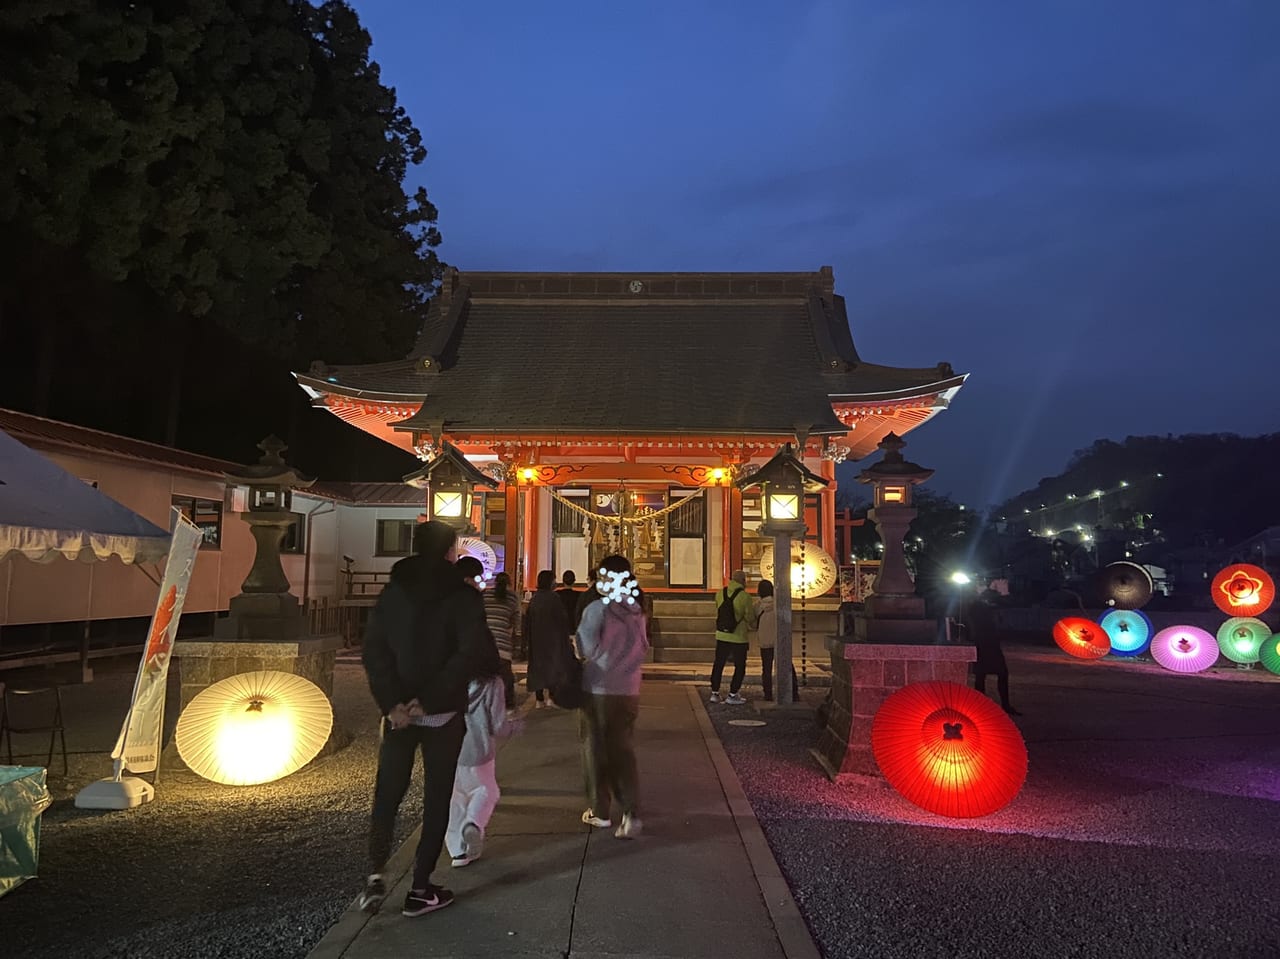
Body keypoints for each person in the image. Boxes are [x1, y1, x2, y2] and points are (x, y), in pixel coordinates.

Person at [358, 521, 500, 918]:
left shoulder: (393, 591)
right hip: (441, 713)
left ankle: (374, 876)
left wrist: (393, 703)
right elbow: (469, 652)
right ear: (450, 550)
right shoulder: (462, 596)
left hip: (399, 715)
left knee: (388, 793)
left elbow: (375, 651)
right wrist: (432, 698)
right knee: (438, 797)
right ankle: (420, 887)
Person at [575, 554, 649, 839]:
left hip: (598, 688)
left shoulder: (598, 609)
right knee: (623, 751)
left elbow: (585, 648)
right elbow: (643, 647)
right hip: (629, 689)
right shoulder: (637, 610)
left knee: (595, 750)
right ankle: (631, 812)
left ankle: (600, 810)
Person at [446, 555, 511, 868]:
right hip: (480, 747)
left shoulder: (447, 673)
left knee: (453, 796)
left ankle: (457, 851)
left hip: (447, 743)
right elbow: (498, 723)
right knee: (487, 789)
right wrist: (513, 727)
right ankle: (475, 823)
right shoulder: (492, 682)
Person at [965, 592, 1021, 716]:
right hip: (986, 642)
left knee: (984, 674)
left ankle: (983, 704)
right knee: (991, 674)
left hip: (985, 642)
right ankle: (1001, 704)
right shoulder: (979, 608)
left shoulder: (976, 607)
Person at [524, 569, 572, 708]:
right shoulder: (554, 598)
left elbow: (527, 621)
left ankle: (539, 700)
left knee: (537, 669)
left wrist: (526, 641)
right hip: (552, 640)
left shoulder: (535, 599)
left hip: (536, 640)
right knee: (553, 668)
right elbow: (562, 620)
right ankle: (551, 697)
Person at [709, 569, 753, 704]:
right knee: (739, 666)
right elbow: (749, 617)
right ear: (743, 581)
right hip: (738, 636)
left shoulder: (719, 593)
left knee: (719, 664)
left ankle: (714, 693)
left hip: (721, 634)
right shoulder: (745, 597)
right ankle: (733, 694)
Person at [751, 579, 798, 702]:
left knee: (766, 669)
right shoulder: (779, 604)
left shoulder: (757, 606)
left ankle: (767, 694)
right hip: (779, 640)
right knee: (788, 666)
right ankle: (794, 692)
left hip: (765, 641)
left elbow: (752, 622)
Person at [484, 571, 521, 709]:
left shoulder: (485, 595)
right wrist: (517, 646)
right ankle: (508, 706)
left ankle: (488, 705)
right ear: (510, 584)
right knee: (506, 677)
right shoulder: (512, 597)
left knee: (486, 677)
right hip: (502, 643)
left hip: (485, 642)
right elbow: (517, 624)